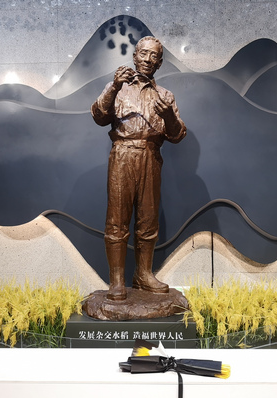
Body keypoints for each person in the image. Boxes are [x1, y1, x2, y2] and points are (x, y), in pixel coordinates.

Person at [91, 36, 187, 300]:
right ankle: (117, 281)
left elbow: (177, 135)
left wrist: (168, 115)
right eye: (143, 53)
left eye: (154, 55)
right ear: (134, 57)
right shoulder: (118, 87)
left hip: (150, 156)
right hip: (122, 155)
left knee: (148, 220)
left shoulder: (165, 96)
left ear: (160, 63)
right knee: (117, 220)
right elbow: (99, 116)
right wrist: (113, 87)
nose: (148, 59)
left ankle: (143, 275)